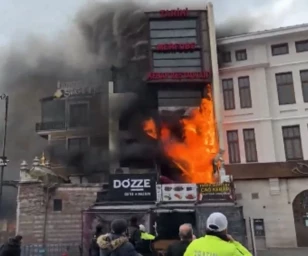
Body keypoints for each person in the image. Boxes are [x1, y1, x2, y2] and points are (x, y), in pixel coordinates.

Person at [184, 212, 252, 256]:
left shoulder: (194, 244)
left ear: (207, 227)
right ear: (225, 229)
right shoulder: (230, 249)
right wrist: (234, 242)